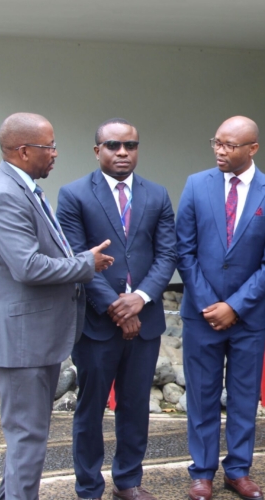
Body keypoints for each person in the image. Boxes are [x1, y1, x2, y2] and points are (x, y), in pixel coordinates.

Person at [0, 112, 114, 500]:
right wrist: (86, 264)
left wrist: (77, 258)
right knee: (29, 438)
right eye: (48, 147)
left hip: (29, 337)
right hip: (20, 341)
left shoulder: (21, 186)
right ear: (22, 151)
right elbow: (28, 266)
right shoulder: (5, 195)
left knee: (26, 437)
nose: (55, 154)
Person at [56, 118, 177, 500]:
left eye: (130, 145)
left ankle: (128, 481)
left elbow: (167, 253)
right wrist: (115, 306)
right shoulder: (74, 194)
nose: (122, 152)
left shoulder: (157, 195)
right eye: (113, 145)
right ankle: (89, 486)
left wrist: (139, 299)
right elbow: (76, 258)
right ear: (98, 151)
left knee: (135, 405)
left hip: (146, 320)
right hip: (95, 323)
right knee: (90, 409)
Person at [175, 116, 265, 500]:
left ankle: (237, 470)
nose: (220, 151)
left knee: (243, 397)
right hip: (201, 315)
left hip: (248, 317)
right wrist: (211, 304)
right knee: (202, 395)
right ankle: (202, 473)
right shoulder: (195, 185)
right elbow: (184, 251)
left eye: (230, 145)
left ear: (252, 148)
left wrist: (235, 307)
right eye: (217, 143)